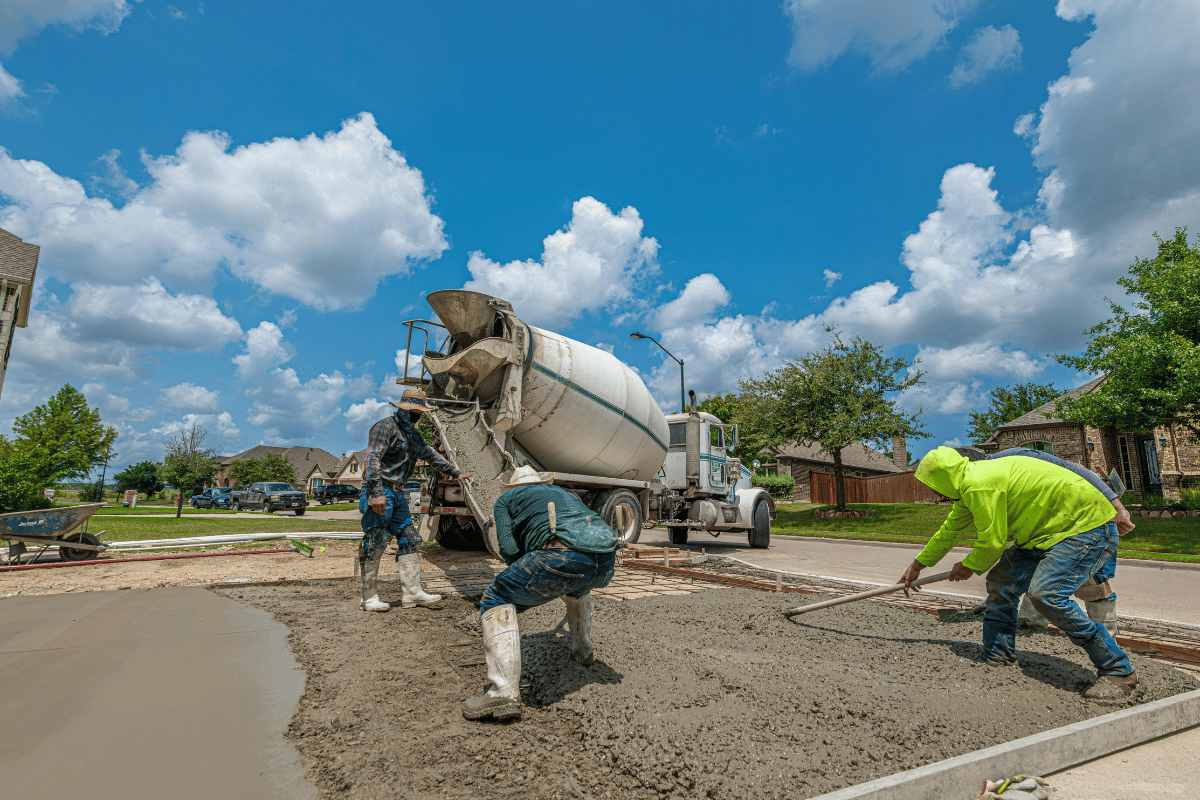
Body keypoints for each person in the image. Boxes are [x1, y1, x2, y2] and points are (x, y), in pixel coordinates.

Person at [899, 446, 1138, 698]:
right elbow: (948, 532)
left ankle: (1118, 670)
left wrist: (968, 566)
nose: (935, 492)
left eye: (933, 485)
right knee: (1002, 583)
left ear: (943, 479)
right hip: (1044, 534)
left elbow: (992, 543)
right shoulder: (970, 485)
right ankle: (998, 654)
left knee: (1047, 595)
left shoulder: (979, 483)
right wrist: (918, 565)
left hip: (1085, 528)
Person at [462, 466, 619, 722]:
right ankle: (583, 652)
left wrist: (527, 574)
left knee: (496, 597)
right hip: (605, 563)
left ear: (513, 487)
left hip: (560, 555)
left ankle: (503, 693)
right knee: (577, 589)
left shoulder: (506, 499)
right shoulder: (565, 493)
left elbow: (508, 548)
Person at [956, 446, 1133, 633]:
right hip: (1050, 522)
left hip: (1087, 513)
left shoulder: (1020, 457)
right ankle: (1030, 626)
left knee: (1094, 582)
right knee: (1038, 572)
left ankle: (1106, 636)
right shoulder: (988, 484)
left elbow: (1077, 470)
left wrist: (1118, 507)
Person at [359, 388, 470, 613]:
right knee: (376, 540)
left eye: (420, 412)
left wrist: (456, 472)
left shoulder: (414, 435)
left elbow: (431, 455)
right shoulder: (385, 427)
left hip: (398, 493)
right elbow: (372, 458)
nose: (418, 415)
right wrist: (377, 492)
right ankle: (368, 597)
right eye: (415, 411)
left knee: (411, 538)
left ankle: (412, 593)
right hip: (381, 490)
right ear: (405, 409)